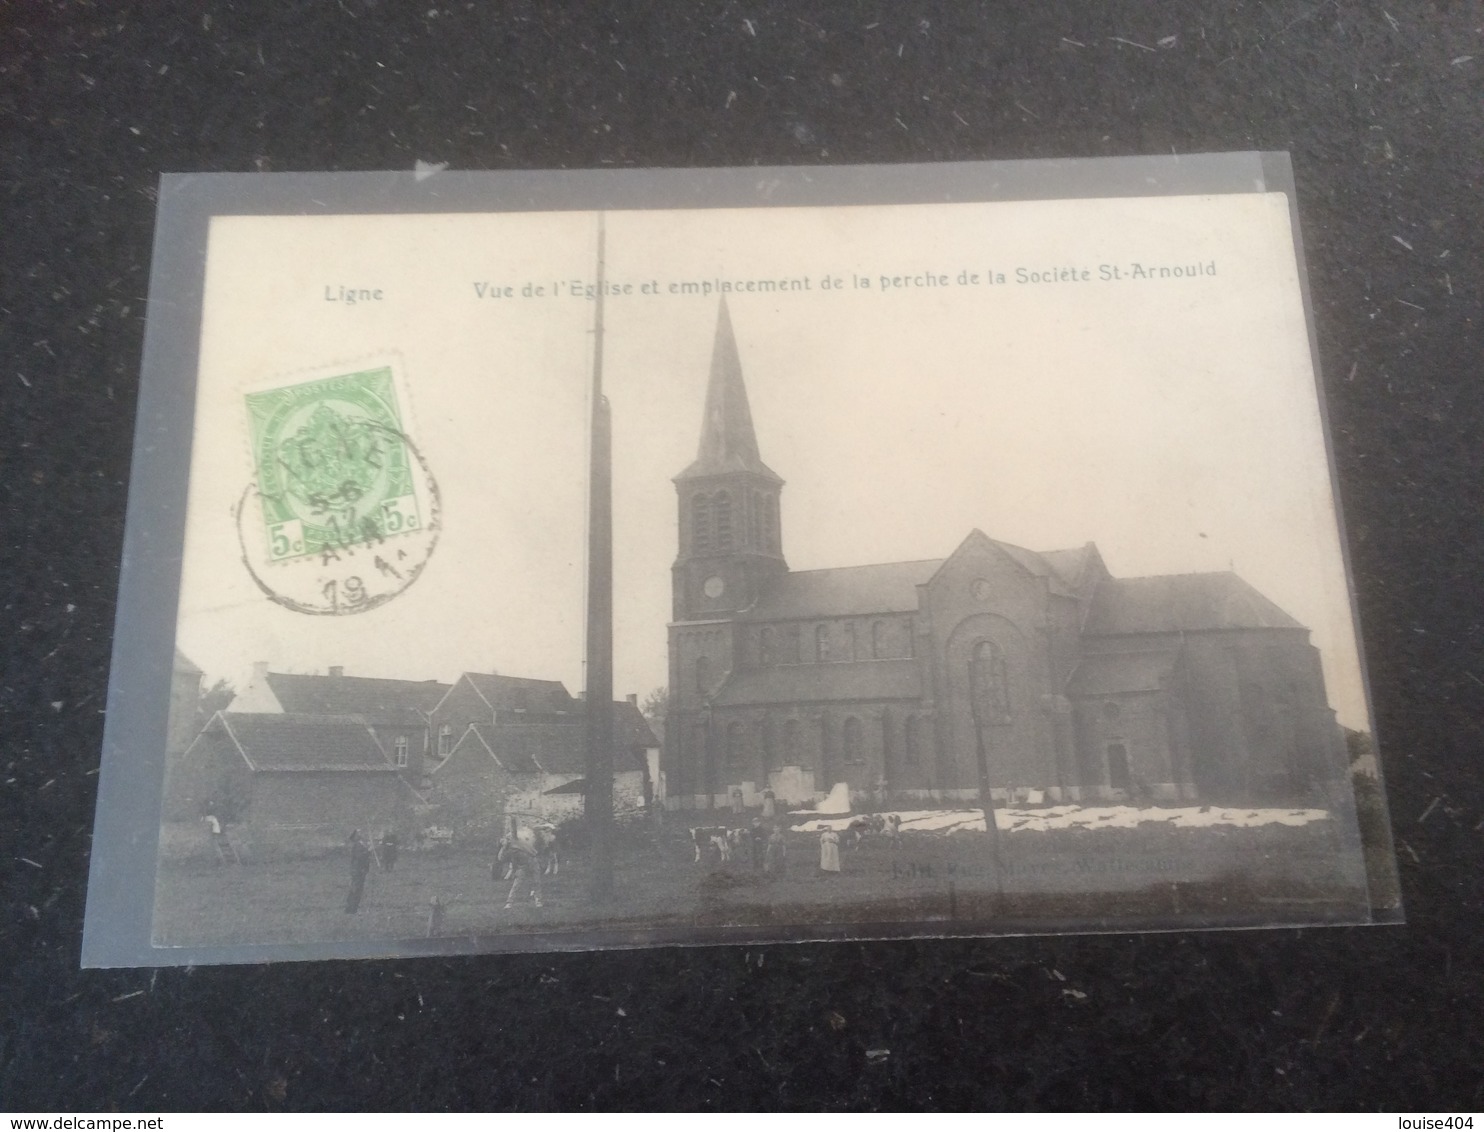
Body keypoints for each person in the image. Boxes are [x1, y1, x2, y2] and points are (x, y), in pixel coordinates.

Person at [345, 830, 372, 914]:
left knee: (358, 889)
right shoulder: (357, 845)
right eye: (359, 833)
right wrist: (368, 851)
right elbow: (359, 856)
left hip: (360, 870)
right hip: (358, 870)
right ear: (355, 836)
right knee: (356, 889)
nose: (361, 834)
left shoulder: (361, 844)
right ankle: (352, 908)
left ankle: (352, 907)